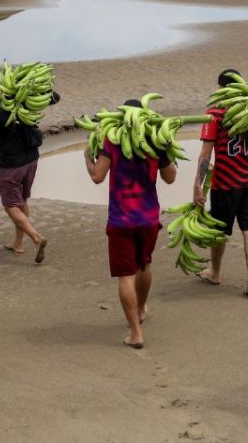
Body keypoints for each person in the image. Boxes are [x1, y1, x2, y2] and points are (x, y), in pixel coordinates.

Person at [84, 99, 177, 349]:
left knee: (126, 275)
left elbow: (97, 176)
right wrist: (166, 149)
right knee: (144, 264)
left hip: (121, 220)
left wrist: (87, 157)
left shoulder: (112, 141)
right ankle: (143, 307)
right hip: (148, 218)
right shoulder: (156, 142)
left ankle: (136, 333)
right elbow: (170, 178)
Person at [193, 69, 248, 298]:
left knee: (219, 231)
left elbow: (205, 154)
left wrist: (197, 183)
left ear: (221, 88)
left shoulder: (214, 112)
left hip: (225, 183)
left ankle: (215, 273)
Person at [0, 74, 57, 264]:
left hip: (11, 166)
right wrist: (37, 90)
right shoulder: (25, 103)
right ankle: (18, 243)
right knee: (21, 200)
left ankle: (36, 238)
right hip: (32, 160)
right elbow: (55, 97)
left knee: (11, 205)